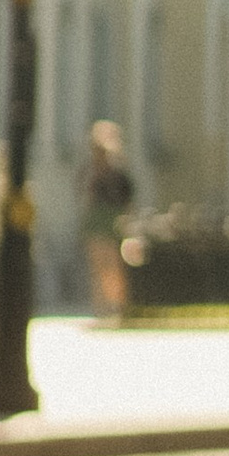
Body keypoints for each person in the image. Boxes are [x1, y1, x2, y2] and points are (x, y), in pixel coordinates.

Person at [78, 122, 135, 320]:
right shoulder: (89, 170)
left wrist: (127, 222)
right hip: (95, 220)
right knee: (97, 265)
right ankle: (100, 307)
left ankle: (117, 306)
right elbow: (82, 193)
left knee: (114, 265)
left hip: (113, 220)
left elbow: (127, 198)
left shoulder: (118, 172)